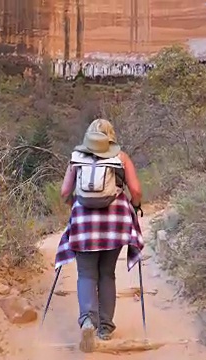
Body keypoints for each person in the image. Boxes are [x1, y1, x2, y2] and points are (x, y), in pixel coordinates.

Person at [54, 118, 144, 353]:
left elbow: (64, 191)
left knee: (86, 274)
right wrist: (135, 206)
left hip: (84, 223)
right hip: (115, 222)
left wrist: (73, 205)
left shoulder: (76, 158)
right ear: (111, 138)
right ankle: (105, 327)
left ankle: (87, 321)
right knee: (107, 274)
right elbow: (135, 190)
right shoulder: (121, 158)